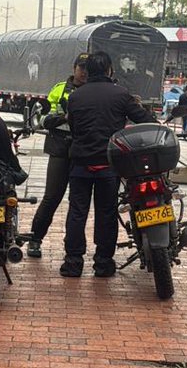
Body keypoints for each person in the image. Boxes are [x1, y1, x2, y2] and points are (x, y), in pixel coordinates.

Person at [56, 51, 155, 278]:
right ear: (110, 70)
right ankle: (103, 263)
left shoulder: (76, 97)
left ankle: (73, 263)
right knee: (106, 214)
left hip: (81, 163)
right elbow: (143, 119)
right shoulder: (121, 94)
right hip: (109, 165)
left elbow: (73, 127)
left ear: (88, 71)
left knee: (77, 214)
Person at [27, 53, 88, 259]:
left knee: (78, 202)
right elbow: (44, 119)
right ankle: (35, 239)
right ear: (74, 68)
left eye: (87, 68)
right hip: (60, 148)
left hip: (84, 151)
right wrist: (65, 117)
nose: (84, 72)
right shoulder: (59, 89)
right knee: (52, 197)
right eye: (81, 67)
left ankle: (72, 248)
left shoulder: (93, 90)